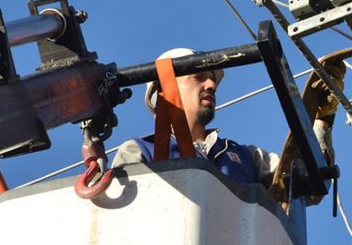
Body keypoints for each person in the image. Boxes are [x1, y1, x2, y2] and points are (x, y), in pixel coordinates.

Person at [112, 48, 279, 187]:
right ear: (164, 91)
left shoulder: (250, 157)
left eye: (212, 80)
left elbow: (291, 175)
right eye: (198, 77)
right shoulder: (140, 151)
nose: (212, 85)